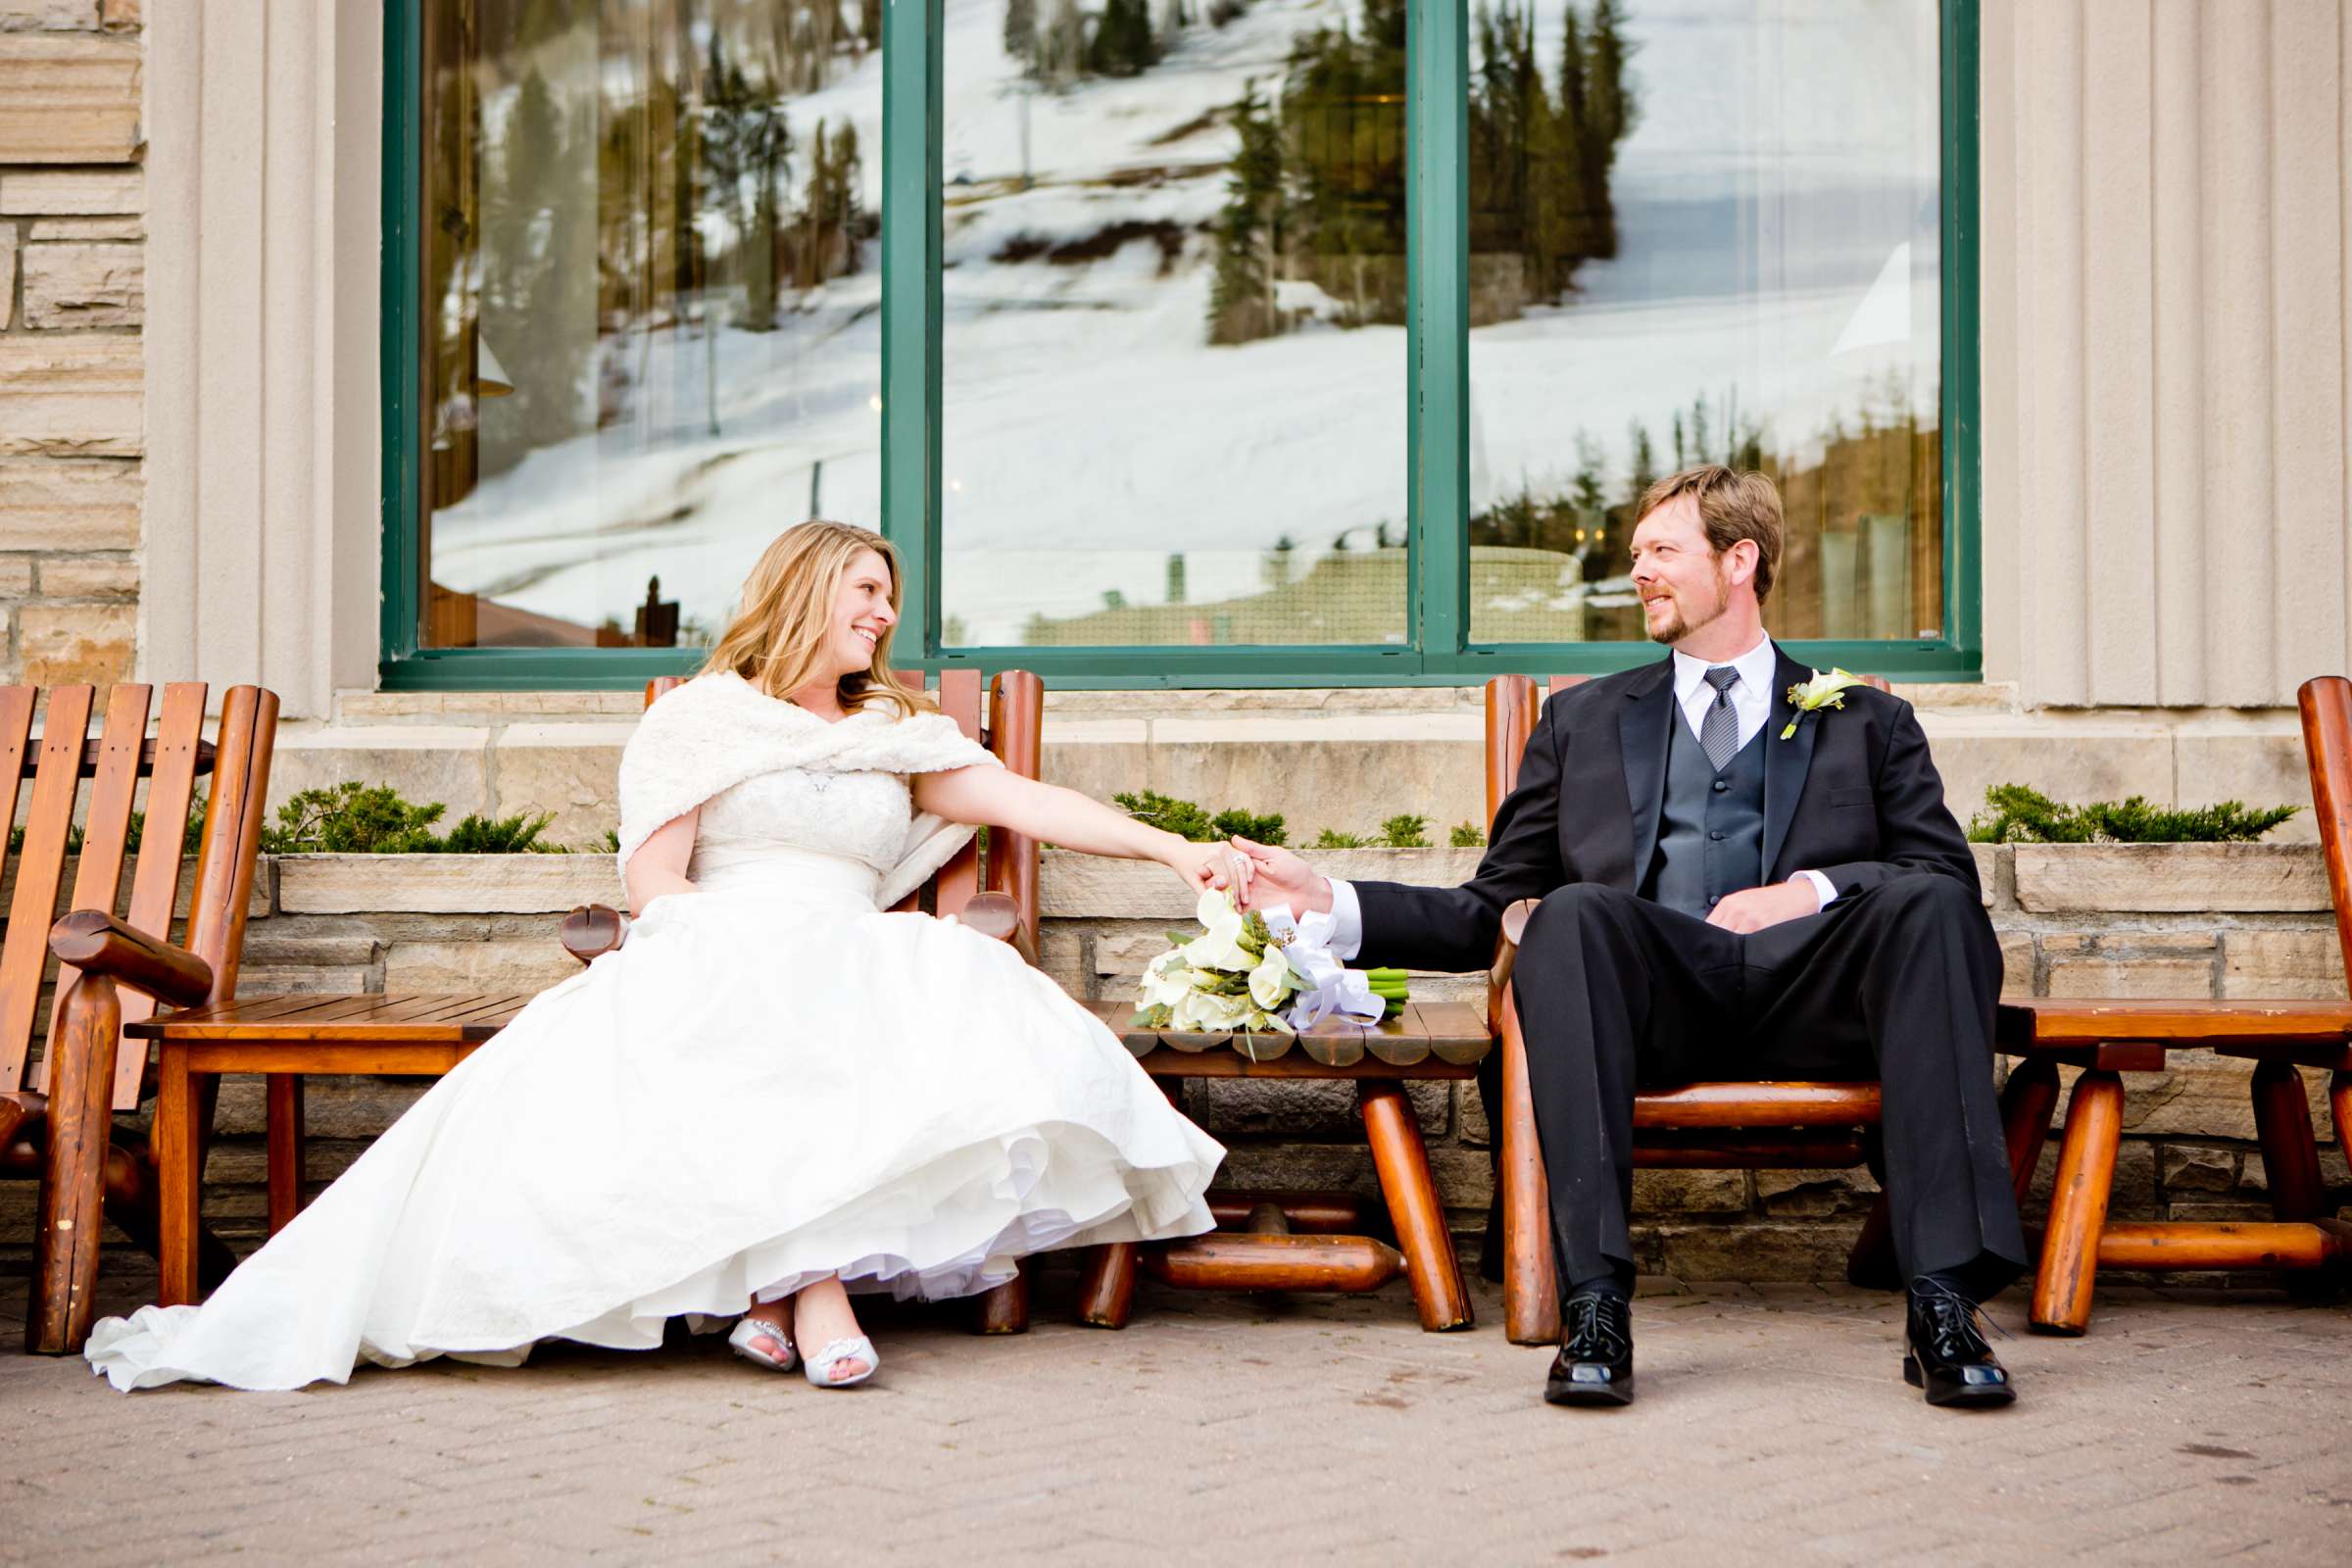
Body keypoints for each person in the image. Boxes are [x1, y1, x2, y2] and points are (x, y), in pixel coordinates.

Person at [87, 521, 1238, 1393]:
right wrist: (710, 937)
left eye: (890, 598)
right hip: (717, 933)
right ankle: (810, 1287)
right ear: (805, 590)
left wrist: (1171, 847)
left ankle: (783, 1293)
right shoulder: (698, 719)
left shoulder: (897, 737)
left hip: (845, 941)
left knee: (937, 984)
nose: (887, 614)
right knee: (748, 996)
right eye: (868, 592)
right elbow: (655, 879)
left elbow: (1022, 798)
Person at [1234, 466, 2026, 1409]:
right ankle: (1597, 1307)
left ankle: (1941, 1303)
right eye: (1636, 554)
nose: (1638, 572)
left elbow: (1947, 878)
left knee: (1933, 910)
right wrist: (1329, 897)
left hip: (1822, 1001)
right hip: (1653, 1009)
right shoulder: (1583, 721)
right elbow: (1494, 903)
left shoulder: (1868, 719)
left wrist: (1808, 891)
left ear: (1740, 561)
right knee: (1567, 913)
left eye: (1662, 551)